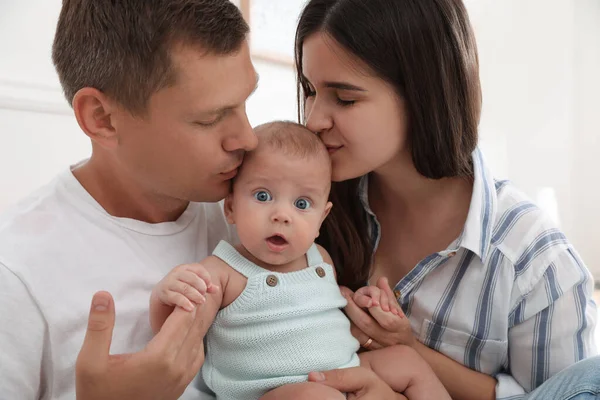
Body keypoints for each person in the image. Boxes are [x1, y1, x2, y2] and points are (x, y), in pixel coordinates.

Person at [293, 0, 600, 399]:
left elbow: (561, 392)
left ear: (423, 93)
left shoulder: (537, 266)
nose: (314, 119)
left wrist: (407, 351)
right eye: (310, 91)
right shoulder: (302, 206)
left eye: (345, 99)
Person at [0, 1, 259, 399]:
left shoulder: (255, 210)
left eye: (245, 102)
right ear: (102, 118)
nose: (247, 139)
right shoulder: (16, 275)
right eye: (209, 119)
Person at [149, 121, 450, 400]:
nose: (282, 215)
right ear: (230, 208)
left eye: (302, 204)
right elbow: (178, 339)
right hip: (274, 391)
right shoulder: (222, 272)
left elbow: (323, 309)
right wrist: (165, 298)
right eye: (263, 196)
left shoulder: (320, 258)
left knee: (406, 361)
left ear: (322, 218)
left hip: (344, 370)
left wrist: (360, 302)